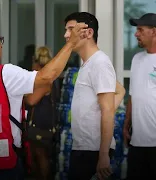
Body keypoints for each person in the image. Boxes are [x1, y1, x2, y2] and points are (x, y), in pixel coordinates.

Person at [0, 22, 88, 179]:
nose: (1, 44)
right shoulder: (4, 74)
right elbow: (46, 77)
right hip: (4, 165)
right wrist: (71, 44)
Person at [63, 12, 125, 180]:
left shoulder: (100, 63)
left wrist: (103, 155)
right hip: (83, 148)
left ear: (89, 33)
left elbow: (108, 110)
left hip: (93, 151)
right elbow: (120, 91)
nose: (66, 35)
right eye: (66, 30)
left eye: (71, 29)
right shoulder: (89, 64)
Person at [123, 13, 156, 180]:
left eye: (140, 30)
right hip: (137, 143)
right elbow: (133, 95)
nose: (136, 34)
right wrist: (126, 124)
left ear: (154, 32)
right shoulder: (137, 59)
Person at [27, 46, 60, 180]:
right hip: (44, 126)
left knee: (40, 158)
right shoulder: (50, 79)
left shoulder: (44, 81)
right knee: (40, 158)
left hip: (40, 128)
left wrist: (22, 92)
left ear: (36, 62)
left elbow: (31, 100)